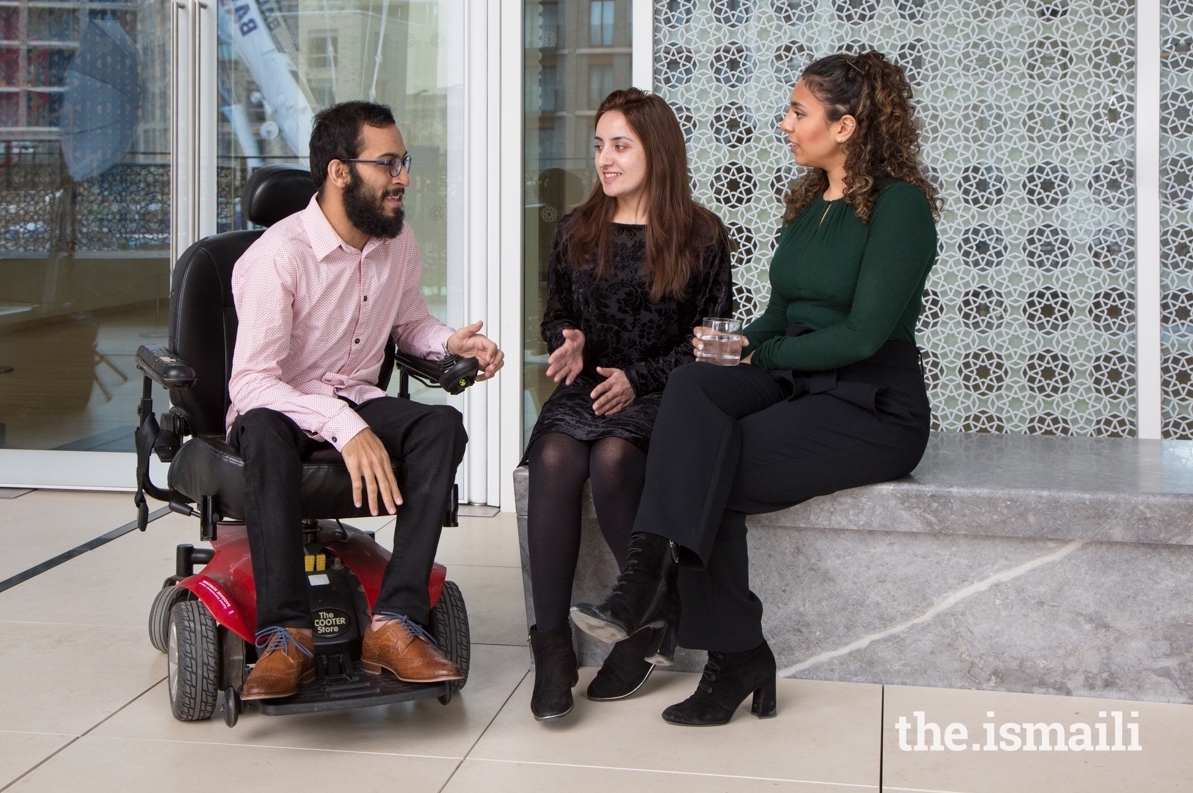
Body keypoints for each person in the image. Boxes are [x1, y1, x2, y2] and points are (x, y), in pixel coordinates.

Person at [572, 52, 942, 726]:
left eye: (799, 111)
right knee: (692, 386)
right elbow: (778, 311)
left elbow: (862, 335)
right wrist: (735, 345)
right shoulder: (811, 203)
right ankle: (645, 585)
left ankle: (729, 649)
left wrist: (763, 352)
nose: (786, 123)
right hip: (796, 377)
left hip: (871, 404)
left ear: (848, 125)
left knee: (712, 466)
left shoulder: (900, 208)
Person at [227, 100, 503, 701]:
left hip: (351, 396)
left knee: (441, 427)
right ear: (339, 172)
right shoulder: (278, 256)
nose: (402, 176)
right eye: (387, 164)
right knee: (268, 431)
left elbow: (409, 325)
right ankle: (285, 636)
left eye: (403, 161)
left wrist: (447, 342)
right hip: (284, 410)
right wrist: (342, 425)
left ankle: (395, 624)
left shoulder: (395, 244)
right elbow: (250, 383)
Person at [525, 88, 732, 720]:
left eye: (620, 146)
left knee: (614, 457)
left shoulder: (702, 235)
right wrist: (570, 339)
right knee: (556, 457)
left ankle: (644, 615)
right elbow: (556, 314)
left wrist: (639, 380)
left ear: (657, 153)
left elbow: (713, 341)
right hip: (587, 387)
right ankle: (552, 643)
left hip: (667, 394)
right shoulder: (575, 229)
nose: (605, 161)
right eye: (598, 146)